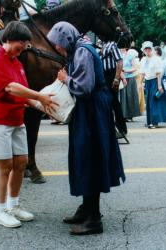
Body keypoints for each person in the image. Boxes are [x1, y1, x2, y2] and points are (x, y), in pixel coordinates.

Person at [47, 21, 125, 235]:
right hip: (90, 111)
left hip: (92, 112)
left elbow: (84, 87)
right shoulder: (79, 49)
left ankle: (93, 218)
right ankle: (87, 208)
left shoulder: (81, 52)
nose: (57, 48)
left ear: (66, 39)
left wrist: (65, 78)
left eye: (58, 44)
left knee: (90, 158)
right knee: (86, 157)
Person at [0, 21, 57, 228]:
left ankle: (13, 206)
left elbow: (24, 94)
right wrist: (40, 95)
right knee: (4, 167)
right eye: (20, 41)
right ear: (8, 38)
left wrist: (43, 105)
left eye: (26, 42)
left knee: (21, 164)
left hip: (15, 119)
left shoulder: (17, 63)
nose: (24, 46)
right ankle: (0, 211)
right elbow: (12, 88)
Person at [101, 40, 128, 139]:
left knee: (114, 102)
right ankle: (110, 128)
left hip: (111, 75)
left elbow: (120, 61)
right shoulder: (103, 44)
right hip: (104, 75)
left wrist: (116, 78)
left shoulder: (112, 45)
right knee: (107, 102)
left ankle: (122, 129)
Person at [139, 41, 166, 128]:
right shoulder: (144, 59)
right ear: (143, 50)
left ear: (151, 49)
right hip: (148, 82)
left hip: (155, 81)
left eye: (149, 49)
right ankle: (149, 121)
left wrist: (159, 85)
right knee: (148, 101)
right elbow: (142, 72)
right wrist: (140, 83)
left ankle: (154, 122)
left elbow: (158, 73)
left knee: (153, 101)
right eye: (145, 49)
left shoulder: (156, 59)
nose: (147, 51)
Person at [120, 48, 141, 121]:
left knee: (130, 96)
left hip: (130, 77)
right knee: (123, 97)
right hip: (121, 77)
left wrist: (126, 70)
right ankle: (124, 115)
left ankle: (131, 115)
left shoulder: (130, 55)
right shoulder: (118, 54)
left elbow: (135, 68)